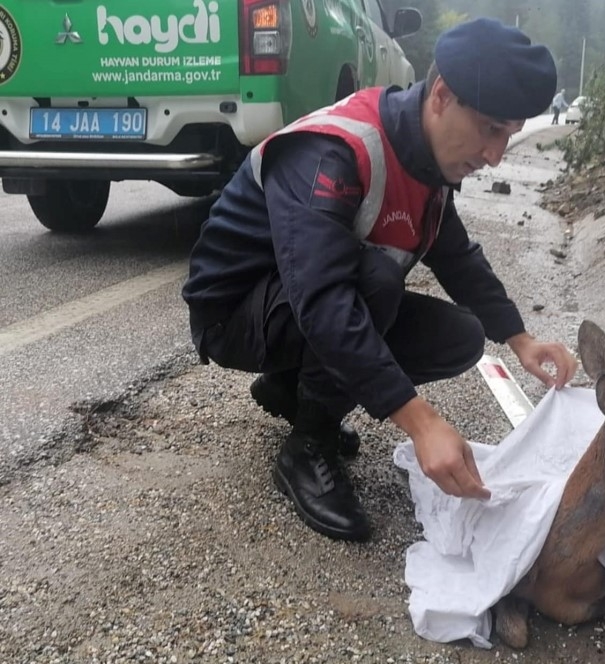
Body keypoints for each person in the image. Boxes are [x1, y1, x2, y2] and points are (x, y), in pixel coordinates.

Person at [182, 17, 578, 543]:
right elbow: (323, 302)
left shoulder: (427, 162)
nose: (494, 156)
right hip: (234, 315)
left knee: (458, 335)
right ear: (441, 96)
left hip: (293, 304)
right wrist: (422, 424)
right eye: (489, 129)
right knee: (376, 280)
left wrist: (520, 338)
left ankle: (291, 388)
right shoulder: (337, 152)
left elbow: (456, 256)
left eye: (508, 135)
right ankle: (307, 445)